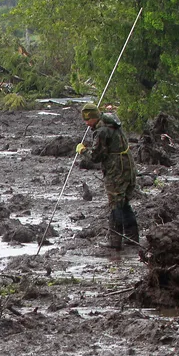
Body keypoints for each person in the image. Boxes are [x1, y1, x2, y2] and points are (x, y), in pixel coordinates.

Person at [75, 103, 139, 250]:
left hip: (116, 170)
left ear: (94, 118)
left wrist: (83, 150)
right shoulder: (112, 121)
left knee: (115, 205)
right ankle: (132, 238)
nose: (86, 124)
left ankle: (115, 241)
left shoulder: (102, 131)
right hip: (128, 167)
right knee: (124, 203)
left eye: (87, 120)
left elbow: (95, 157)